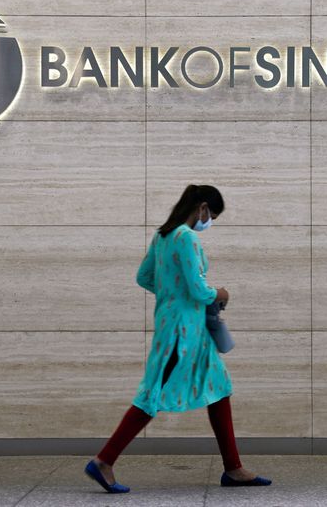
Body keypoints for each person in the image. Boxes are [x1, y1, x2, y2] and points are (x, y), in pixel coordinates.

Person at [85, 184, 272, 493]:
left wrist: (172, 296)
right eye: (211, 214)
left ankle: (234, 468)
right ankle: (104, 461)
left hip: (185, 331)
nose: (209, 220)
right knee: (152, 394)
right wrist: (221, 293)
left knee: (219, 388)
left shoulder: (161, 236)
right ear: (200, 207)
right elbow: (199, 290)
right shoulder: (186, 237)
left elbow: (143, 277)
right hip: (182, 335)